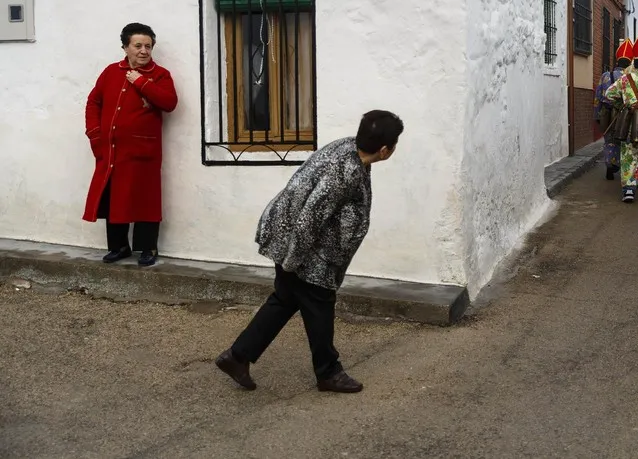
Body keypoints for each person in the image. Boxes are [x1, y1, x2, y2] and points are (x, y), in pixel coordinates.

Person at [216, 110, 404, 393]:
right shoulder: (346, 171)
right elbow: (310, 218)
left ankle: (237, 356)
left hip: (297, 240)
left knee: (285, 300)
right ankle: (328, 372)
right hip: (304, 249)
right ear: (385, 149)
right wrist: (293, 262)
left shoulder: (350, 149)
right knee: (319, 303)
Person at [83, 23, 178, 267]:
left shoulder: (160, 75)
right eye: (138, 46)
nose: (144, 51)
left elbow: (169, 102)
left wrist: (141, 82)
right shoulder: (110, 72)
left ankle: (148, 248)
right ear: (125, 47)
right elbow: (94, 102)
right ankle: (119, 246)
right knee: (114, 196)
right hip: (111, 150)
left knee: (145, 198)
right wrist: (95, 133)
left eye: (148, 46)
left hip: (143, 151)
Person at [604, 31, 638, 203]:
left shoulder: (625, 78)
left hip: (629, 122)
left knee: (629, 154)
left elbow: (608, 94)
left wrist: (625, 104)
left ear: (635, 61)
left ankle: (629, 190)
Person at [595, 39, 632, 181]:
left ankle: (610, 165)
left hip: (606, 112)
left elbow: (598, 96)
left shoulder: (605, 75)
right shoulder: (628, 78)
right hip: (623, 113)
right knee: (623, 139)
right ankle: (623, 168)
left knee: (609, 139)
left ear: (617, 62)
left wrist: (597, 115)